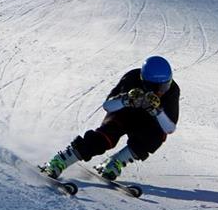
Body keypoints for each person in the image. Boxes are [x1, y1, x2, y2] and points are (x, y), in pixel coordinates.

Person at [43, 56, 180, 181]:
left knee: (156, 136)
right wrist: (126, 100)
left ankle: (116, 161)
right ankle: (61, 160)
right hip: (123, 115)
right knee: (104, 138)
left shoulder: (172, 91)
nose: (160, 91)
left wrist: (156, 111)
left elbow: (169, 128)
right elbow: (108, 106)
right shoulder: (132, 78)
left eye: (164, 86)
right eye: (155, 87)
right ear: (144, 81)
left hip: (147, 121)